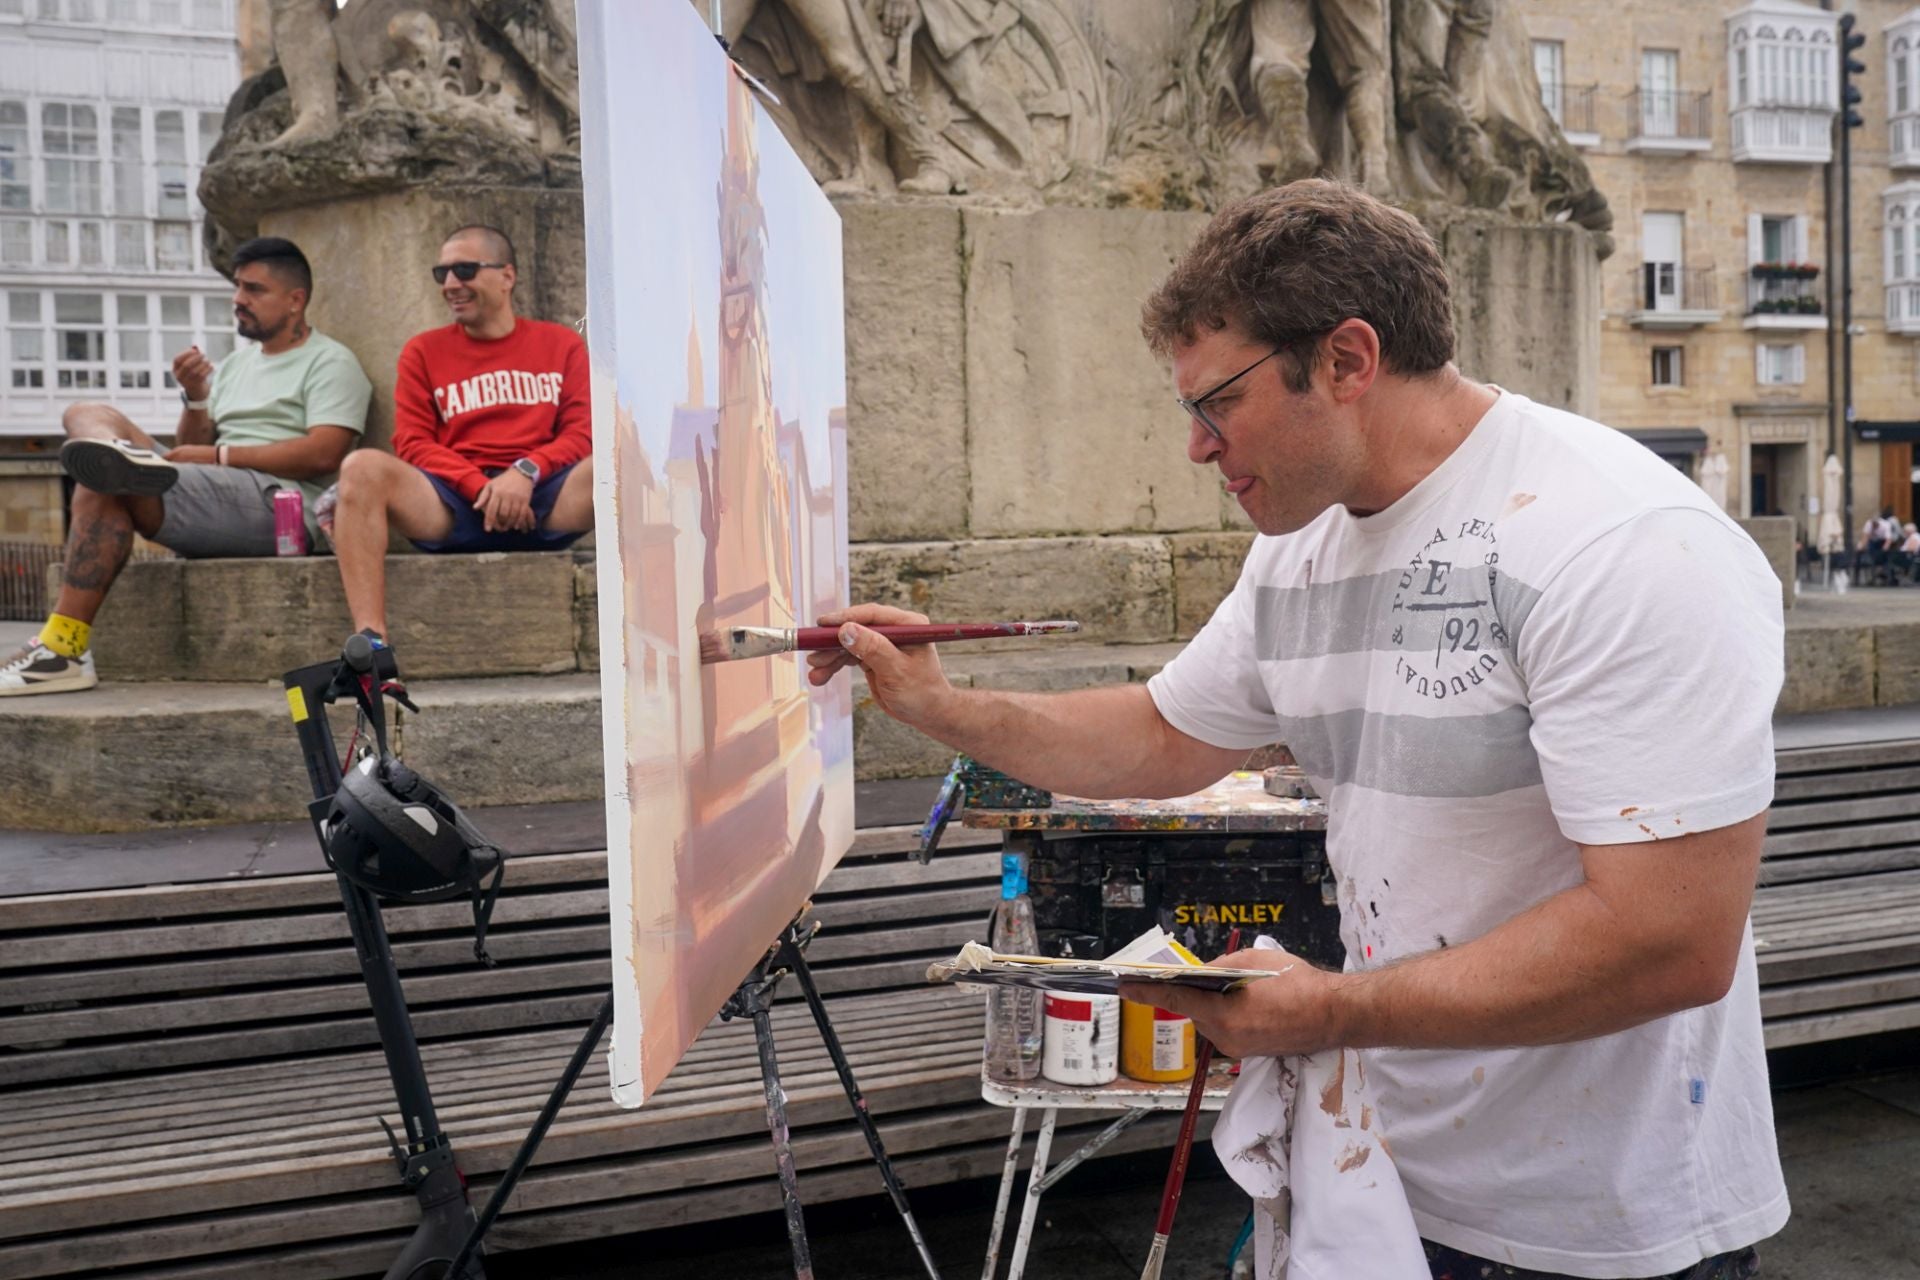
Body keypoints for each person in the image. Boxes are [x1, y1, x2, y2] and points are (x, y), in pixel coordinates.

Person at [811, 181, 1787, 1276]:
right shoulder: (1302, 546)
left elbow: (1671, 937)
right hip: (1381, 1174)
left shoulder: (1619, 542)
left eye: (1216, 402)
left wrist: (1331, 1008)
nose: (1196, 445)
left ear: (1347, 360)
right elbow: (1163, 734)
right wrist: (944, 707)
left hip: (1602, 1220)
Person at [0, 236, 371, 696]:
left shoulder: (331, 362)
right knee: (84, 413)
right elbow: (192, 447)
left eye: (254, 290)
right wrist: (196, 398)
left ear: (295, 300)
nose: (238, 300)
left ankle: (62, 648)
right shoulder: (236, 366)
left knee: (102, 483)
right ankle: (120, 459)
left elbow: (324, 453)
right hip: (220, 489)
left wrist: (218, 456)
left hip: (282, 506)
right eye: (237, 288)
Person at [328, 224, 592, 643]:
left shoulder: (562, 344)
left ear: (507, 276)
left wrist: (524, 472)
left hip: (544, 495)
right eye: (442, 274)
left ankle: (650, 623)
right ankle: (371, 645)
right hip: (453, 501)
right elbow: (412, 442)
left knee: (623, 457)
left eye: (465, 270)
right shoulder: (423, 350)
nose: (451, 284)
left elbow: (582, 434)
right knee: (361, 467)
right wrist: (480, 487)